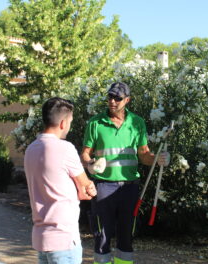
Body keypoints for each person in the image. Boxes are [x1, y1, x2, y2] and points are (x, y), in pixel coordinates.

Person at [81, 82, 170, 264]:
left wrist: (157, 159)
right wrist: (89, 164)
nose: (112, 101)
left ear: (127, 100)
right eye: (110, 97)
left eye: (118, 98)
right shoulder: (95, 122)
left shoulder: (137, 123)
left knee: (126, 237)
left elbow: (144, 155)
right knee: (102, 236)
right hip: (103, 186)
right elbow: (85, 152)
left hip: (129, 189)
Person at [24, 97, 97, 264]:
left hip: (41, 237)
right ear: (63, 123)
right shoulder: (65, 149)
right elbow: (85, 185)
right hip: (63, 238)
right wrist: (89, 188)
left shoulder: (30, 149)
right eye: (70, 122)